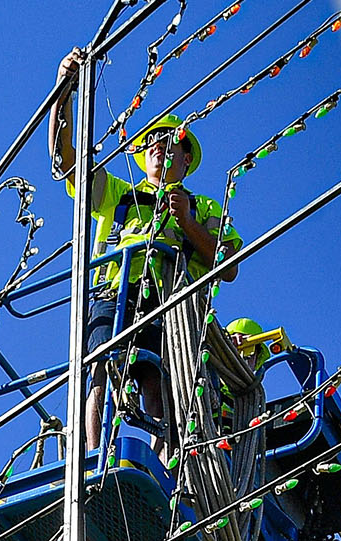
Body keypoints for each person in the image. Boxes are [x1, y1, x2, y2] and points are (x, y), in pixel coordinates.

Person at [48, 51, 242, 441]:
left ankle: (160, 462)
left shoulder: (203, 207)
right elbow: (64, 160)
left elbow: (230, 265)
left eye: (170, 140)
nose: (159, 145)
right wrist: (63, 91)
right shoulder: (116, 193)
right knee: (101, 370)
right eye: (152, 140)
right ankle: (90, 455)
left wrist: (186, 222)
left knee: (157, 383)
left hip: (168, 303)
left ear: (186, 159)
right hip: (111, 292)